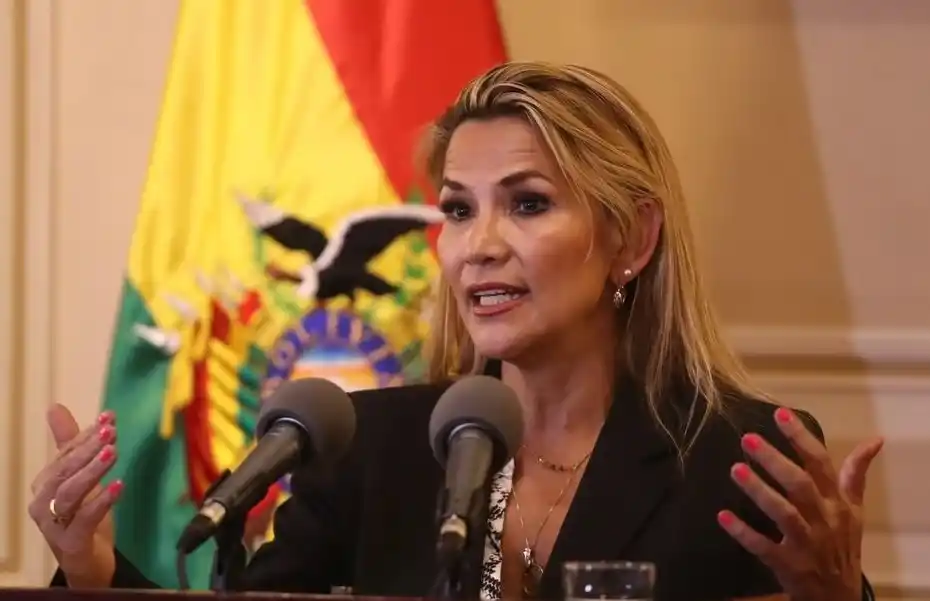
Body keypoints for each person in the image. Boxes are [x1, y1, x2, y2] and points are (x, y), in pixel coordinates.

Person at [29, 62, 882, 601]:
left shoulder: (740, 458)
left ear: (632, 239)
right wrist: (94, 568)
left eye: (528, 203)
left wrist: (839, 598)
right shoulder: (369, 446)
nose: (479, 246)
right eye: (458, 210)